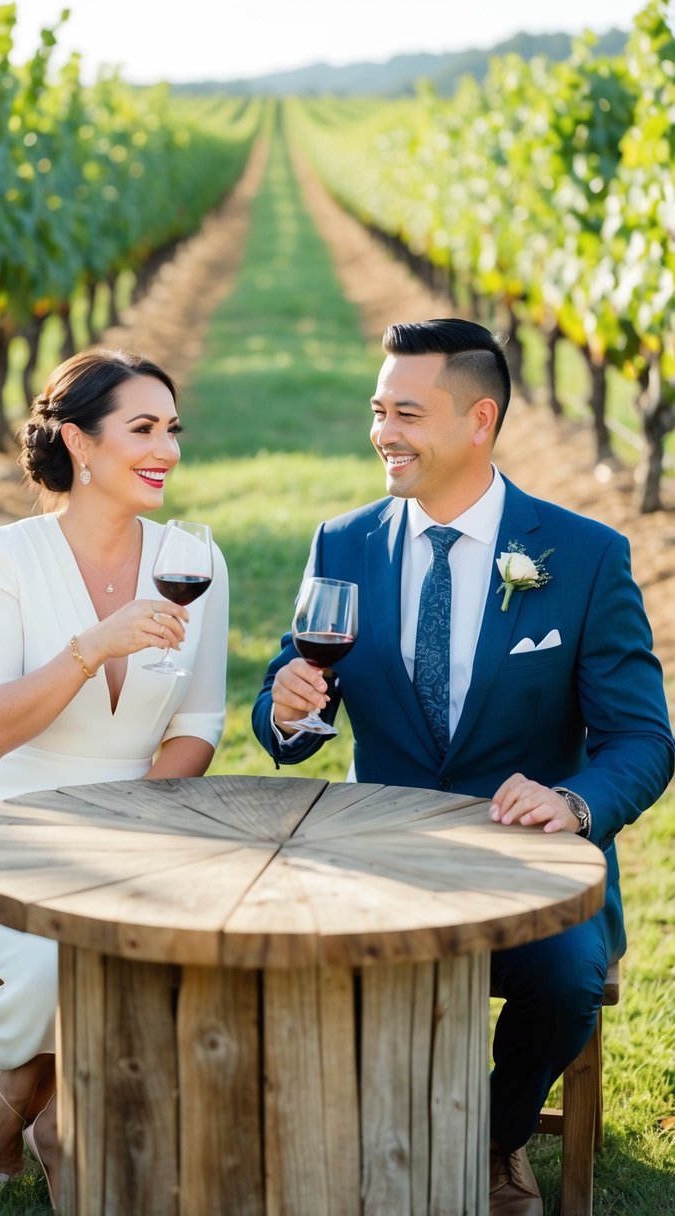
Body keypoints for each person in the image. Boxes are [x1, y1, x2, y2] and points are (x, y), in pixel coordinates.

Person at [252, 318, 674, 1215]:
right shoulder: (345, 542)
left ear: (478, 420)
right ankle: (327, 1133)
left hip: (525, 867)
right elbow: (286, 693)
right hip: (380, 857)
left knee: (566, 982)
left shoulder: (585, 556)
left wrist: (571, 799)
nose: (382, 432)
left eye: (406, 412)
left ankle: (491, 1135)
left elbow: (642, 740)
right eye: (377, 410)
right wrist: (287, 709)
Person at [0, 347, 228, 1208]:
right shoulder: (6, 555)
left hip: (141, 827)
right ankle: (41, 1108)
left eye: (172, 429)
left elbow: (197, 725)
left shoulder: (192, 559)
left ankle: (21, 1098)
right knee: (65, 951)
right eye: (142, 429)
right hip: (6, 830)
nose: (166, 448)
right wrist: (91, 646)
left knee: (165, 940)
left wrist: (132, 817)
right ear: (80, 443)